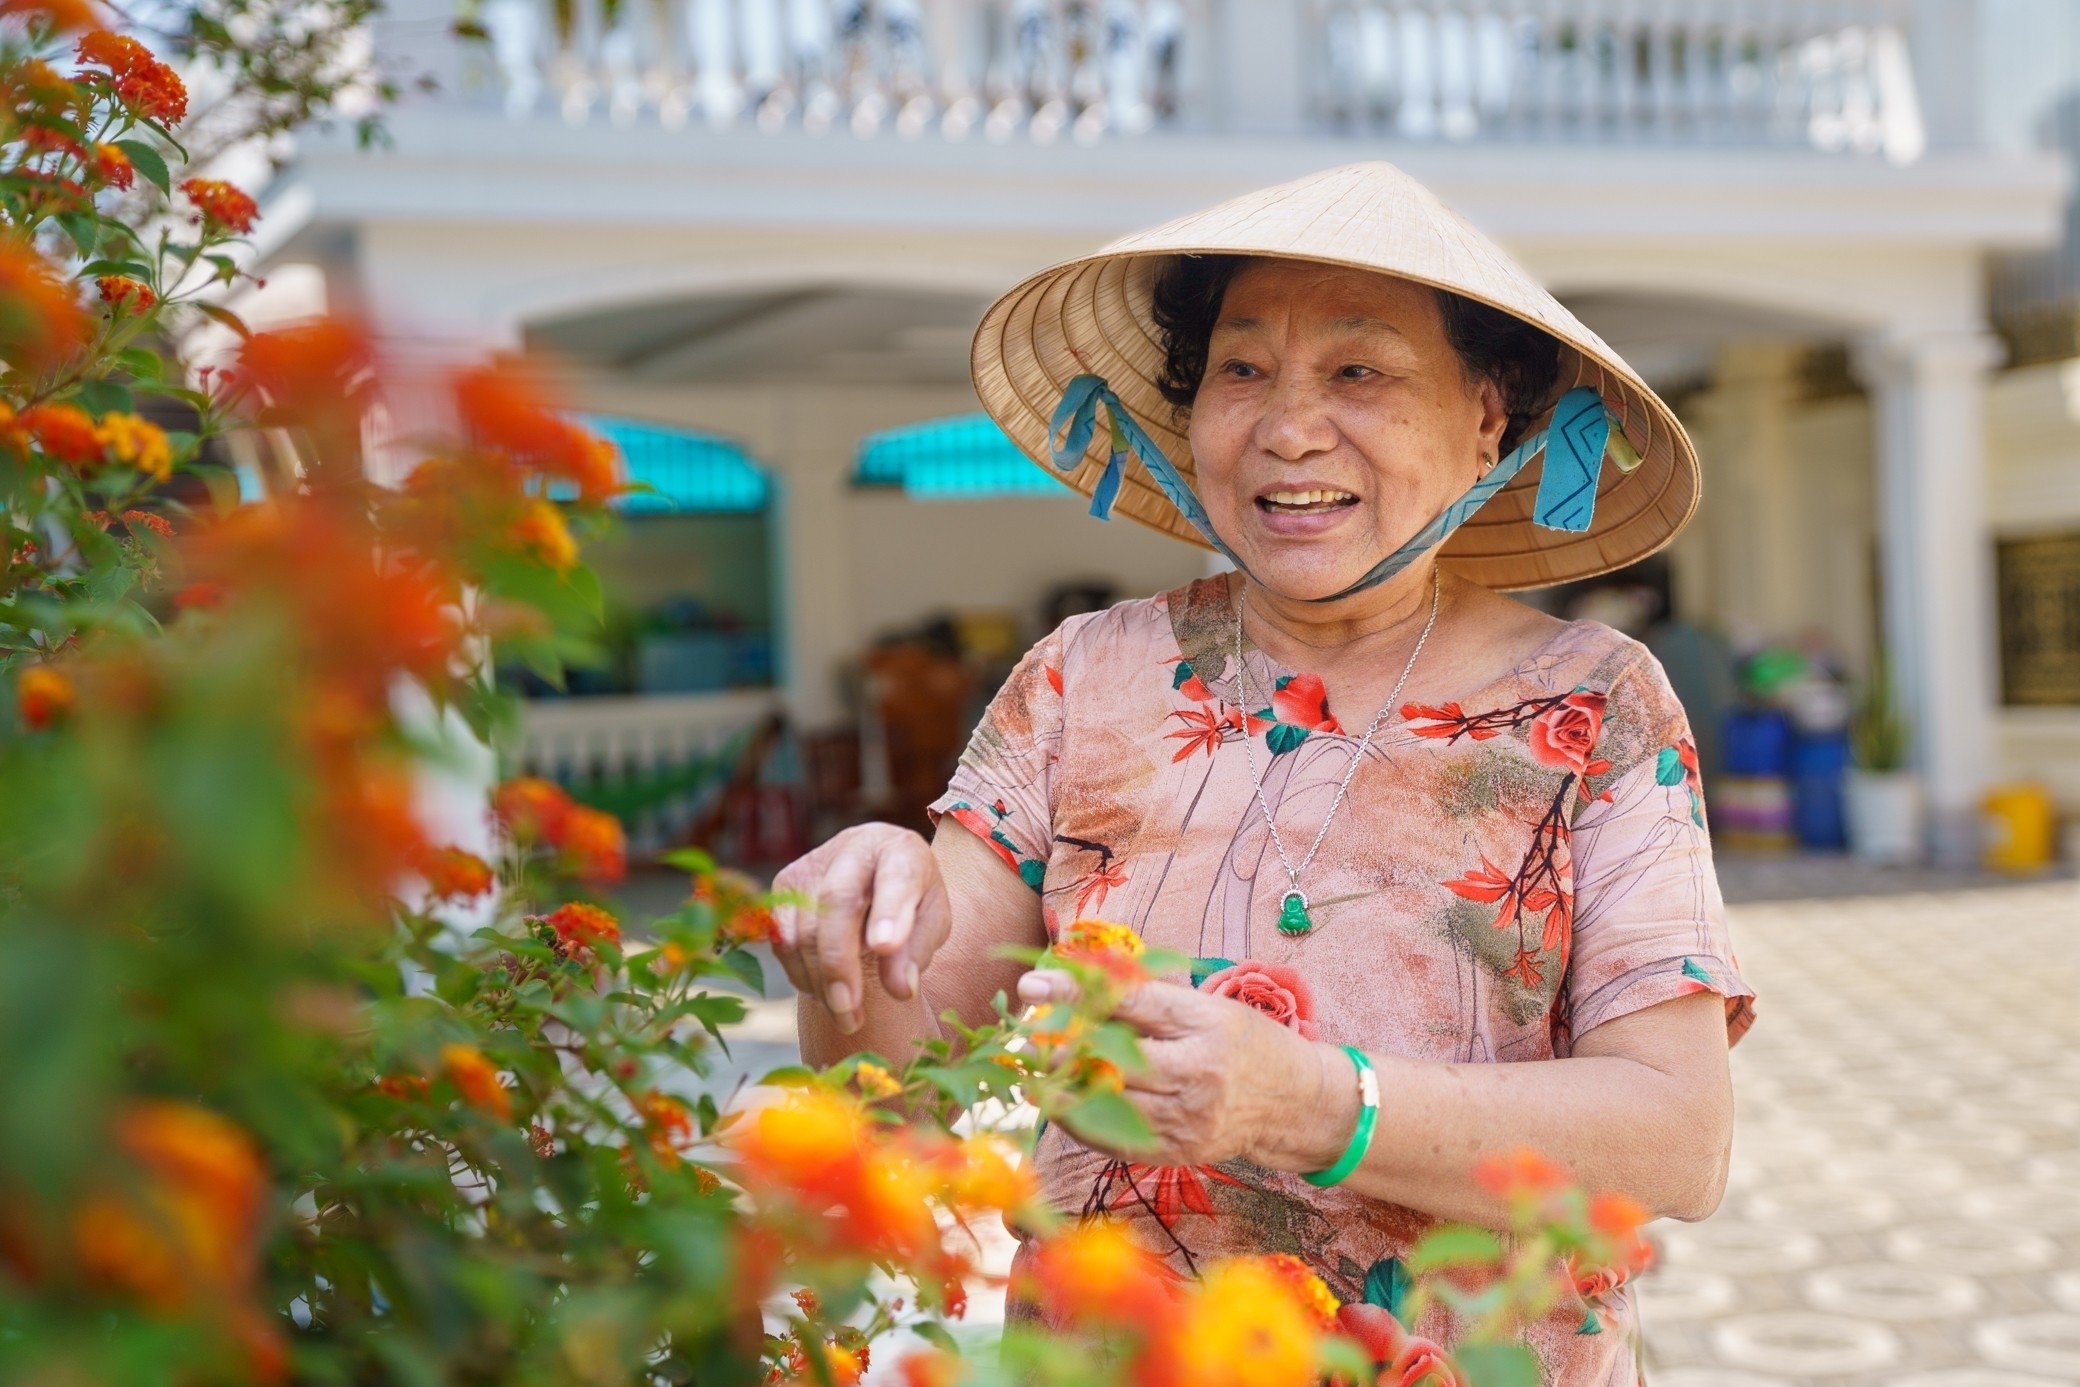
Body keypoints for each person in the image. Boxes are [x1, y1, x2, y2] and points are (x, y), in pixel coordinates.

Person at [772, 163, 1754, 1383]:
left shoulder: (1593, 703)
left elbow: (1677, 1141)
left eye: (1359, 372)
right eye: (1241, 370)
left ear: (1487, 419)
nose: (1288, 429)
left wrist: (1312, 1104)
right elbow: (897, 1092)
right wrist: (854, 930)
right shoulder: (1083, 676)